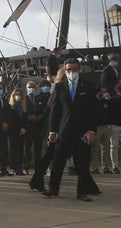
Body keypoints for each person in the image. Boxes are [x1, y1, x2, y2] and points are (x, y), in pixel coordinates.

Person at [44, 59, 100, 201]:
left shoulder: (88, 86)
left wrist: (92, 131)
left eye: (74, 69)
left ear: (79, 70)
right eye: (68, 70)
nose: (71, 72)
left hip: (82, 132)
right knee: (58, 162)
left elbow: (94, 111)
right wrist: (52, 131)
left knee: (82, 163)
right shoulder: (59, 87)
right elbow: (55, 112)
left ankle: (82, 192)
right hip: (64, 131)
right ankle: (53, 190)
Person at [24, 80, 50, 173]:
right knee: (27, 148)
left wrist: (39, 116)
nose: (31, 89)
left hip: (38, 126)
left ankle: (38, 167)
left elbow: (43, 109)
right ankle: (26, 166)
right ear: (26, 88)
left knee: (37, 148)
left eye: (33, 87)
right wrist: (29, 116)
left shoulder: (39, 98)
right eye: (29, 87)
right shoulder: (24, 99)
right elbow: (23, 111)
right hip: (28, 126)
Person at [6, 86, 29, 176]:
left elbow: (25, 119)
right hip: (13, 132)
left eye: (19, 95)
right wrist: (19, 129)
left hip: (22, 132)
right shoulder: (10, 107)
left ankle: (20, 168)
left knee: (20, 150)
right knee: (13, 150)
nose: (17, 96)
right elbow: (11, 120)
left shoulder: (23, 107)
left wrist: (24, 128)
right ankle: (14, 168)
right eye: (16, 94)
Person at [92, 86, 114, 174]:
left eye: (106, 91)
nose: (105, 93)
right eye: (103, 92)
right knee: (95, 148)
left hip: (106, 126)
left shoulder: (106, 102)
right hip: (96, 127)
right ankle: (95, 167)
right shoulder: (93, 102)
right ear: (98, 92)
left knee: (106, 148)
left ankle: (105, 167)